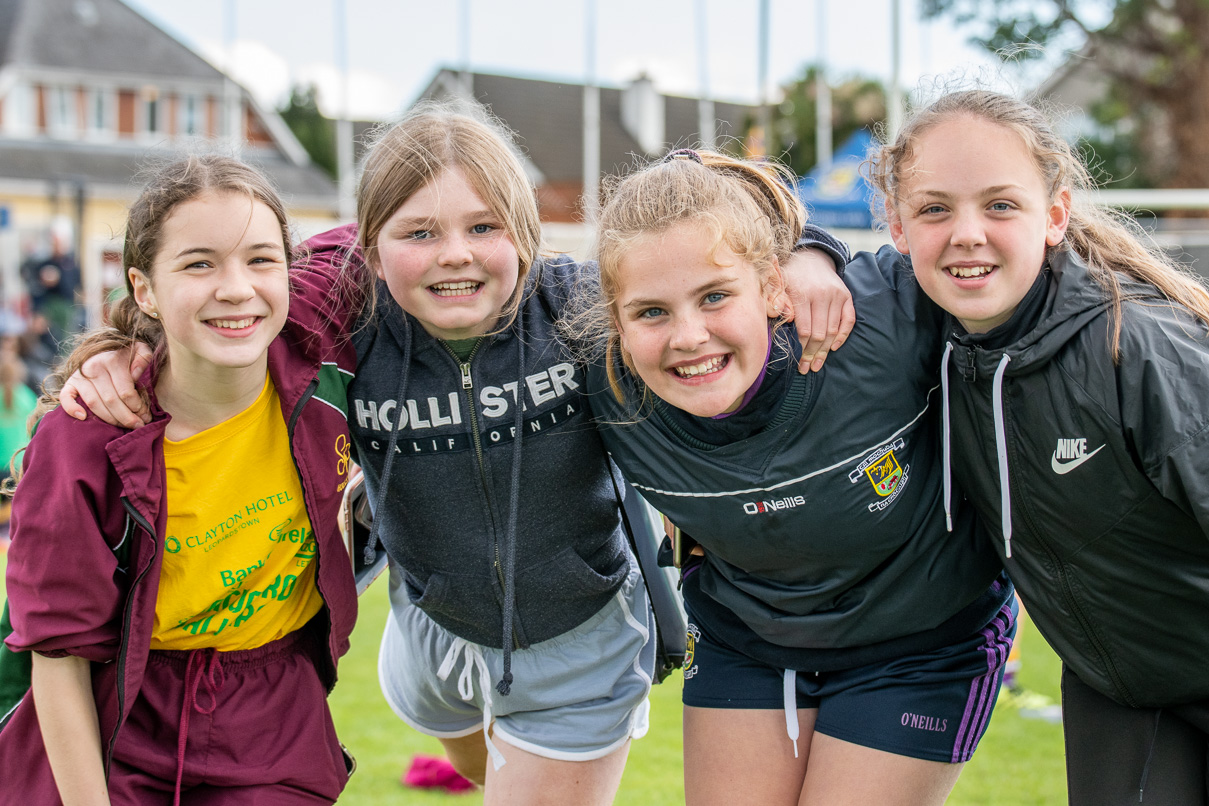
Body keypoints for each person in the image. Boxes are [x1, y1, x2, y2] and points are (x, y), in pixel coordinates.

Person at [57, 103, 854, 805]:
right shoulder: (344, 323)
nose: (454, 255)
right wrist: (124, 348)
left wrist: (813, 251)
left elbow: (719, 232)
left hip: (573, 635)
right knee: (469, 746)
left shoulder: (584, 308)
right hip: (429, 633)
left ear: (527, 232)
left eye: (483, 227)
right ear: (371, 249)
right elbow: (220, 298)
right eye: (419, 233)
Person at [578, 149, 1015, 806]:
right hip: (747, 640)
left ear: (775, 288)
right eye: (650, 313)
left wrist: (814, 246)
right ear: (615, 322)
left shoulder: (878, 321)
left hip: (921, 641)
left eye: (716, 296)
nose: (688, 336)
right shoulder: (606, 386)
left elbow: (1013, 264)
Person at [873, 88, 1209, 805]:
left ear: (1053, 216)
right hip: (1120, 690)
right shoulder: (925, 343)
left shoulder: (1137, 350)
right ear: (896, 227)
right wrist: (809, 255)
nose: (966, 233)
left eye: (999, 205)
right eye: (934, 209)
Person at [0, 155, 359, 804]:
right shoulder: (84, 436)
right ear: (142, 289)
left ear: (289, 267)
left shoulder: (318, 342)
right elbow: (57, 659)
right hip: (123, 713)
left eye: (260, 259)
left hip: (277, 712)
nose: (235, 288)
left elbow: (394, 221)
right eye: (198, 263)